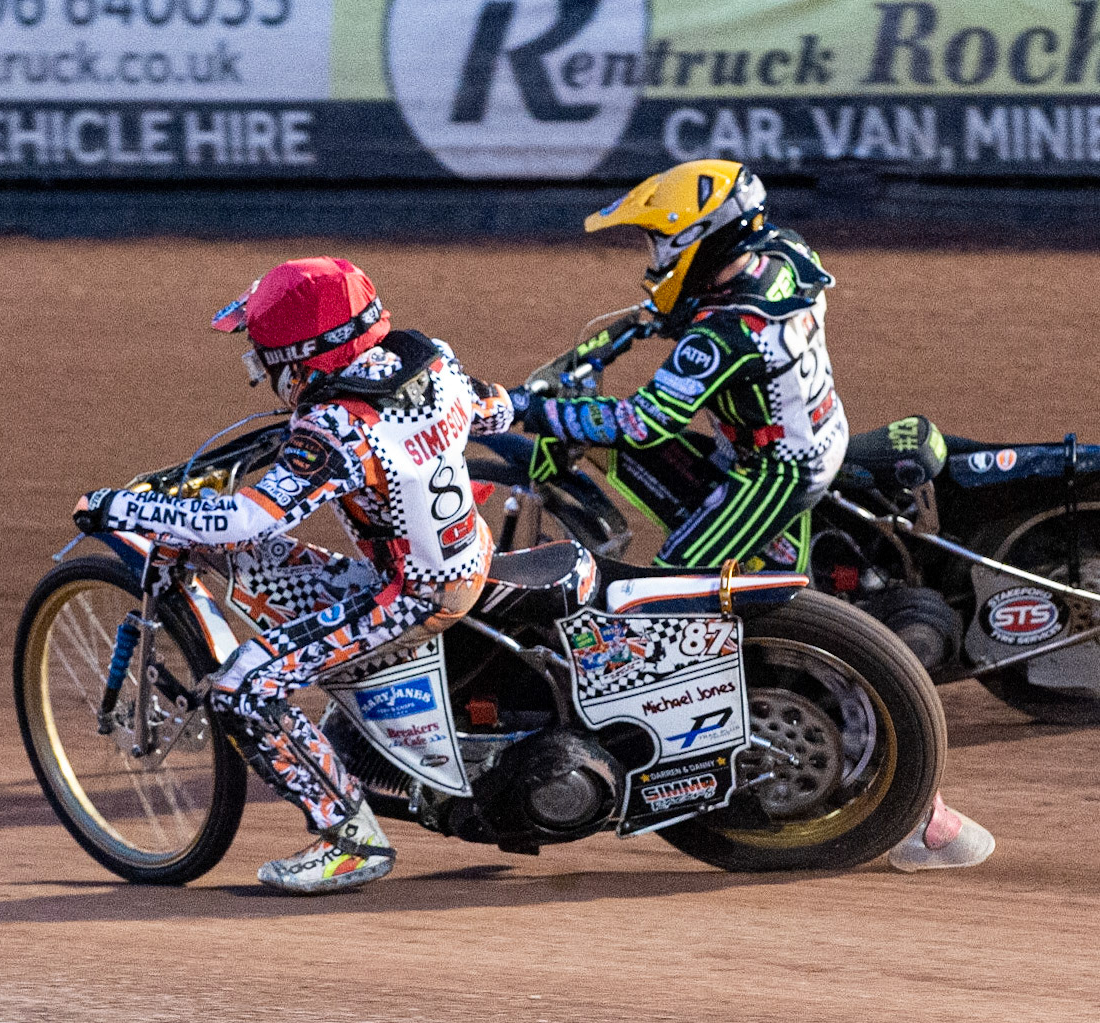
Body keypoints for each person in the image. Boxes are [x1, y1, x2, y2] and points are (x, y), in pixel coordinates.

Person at [506, 159, 993, 872]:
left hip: (772, 473)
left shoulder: (726, 330)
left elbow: (646, 422)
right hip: (801, 439)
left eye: (657, 243)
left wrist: (529, 406)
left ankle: (914, 811)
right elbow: (699, 313)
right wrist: (651, 319)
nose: (652, 258)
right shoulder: (781, 256)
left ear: (696, 235)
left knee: (674, 606)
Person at [73, 256, 516, 894]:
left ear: (307, 356)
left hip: (412, 595)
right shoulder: (430, 359)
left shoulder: (338, 428)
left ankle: (350, 840)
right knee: (244, 573)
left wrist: (125, 508)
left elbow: (250, 520)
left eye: (266, 352)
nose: (262, 366)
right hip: (460, 552)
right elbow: (492, 409)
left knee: (243, 687)